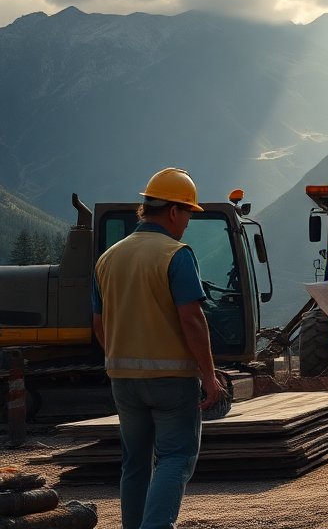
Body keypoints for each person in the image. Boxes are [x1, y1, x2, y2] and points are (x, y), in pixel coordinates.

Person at [91, 167, 227, 529]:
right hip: (171, 380)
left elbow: (98, 323)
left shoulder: (108, 258)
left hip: (123, 380)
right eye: (187, 214)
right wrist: (210, 377)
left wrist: (118, 358)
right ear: (172, 211)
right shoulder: (176, 254)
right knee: (176, 458)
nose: (187, 223)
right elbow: (192, 320)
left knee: (134, 462)